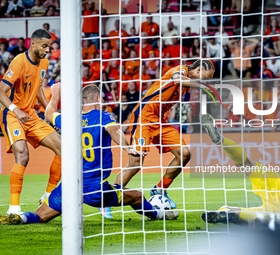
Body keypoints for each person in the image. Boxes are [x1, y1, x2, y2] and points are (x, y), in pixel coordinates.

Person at [0, 84, 179, 225]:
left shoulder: (70, 118)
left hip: (70, 186)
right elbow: (115, 131)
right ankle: (158, 214)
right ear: (98, 98)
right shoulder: (103, 116)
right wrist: (126, 148)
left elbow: (48, 115)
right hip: (95, 190)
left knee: (40, 216)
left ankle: (21, 218)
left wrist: (55, 95)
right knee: (138, 196)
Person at [114, 60, 215, 209]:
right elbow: (178, 80)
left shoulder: (187, 86)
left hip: (159, 120)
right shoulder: (180, 70)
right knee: (135, 163)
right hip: (144, 116)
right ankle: (108, 198)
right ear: (199, 70)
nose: (205, 81)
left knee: (184, 153)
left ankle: (159, 189)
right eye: (206, 78)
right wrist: (203, 86)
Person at [0, 29, 61, 215]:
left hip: (31, 116)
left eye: (49, 47)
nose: (47, 50)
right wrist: (15, 110)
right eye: (44, 46)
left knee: (64, 149)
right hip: (12, 115)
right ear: (32, 44)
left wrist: (50, 112)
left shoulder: (44, 62)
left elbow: (38, 89)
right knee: (23, 156)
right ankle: (13, 209)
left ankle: (48, 195)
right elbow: (1, 91)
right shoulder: (18, 62)